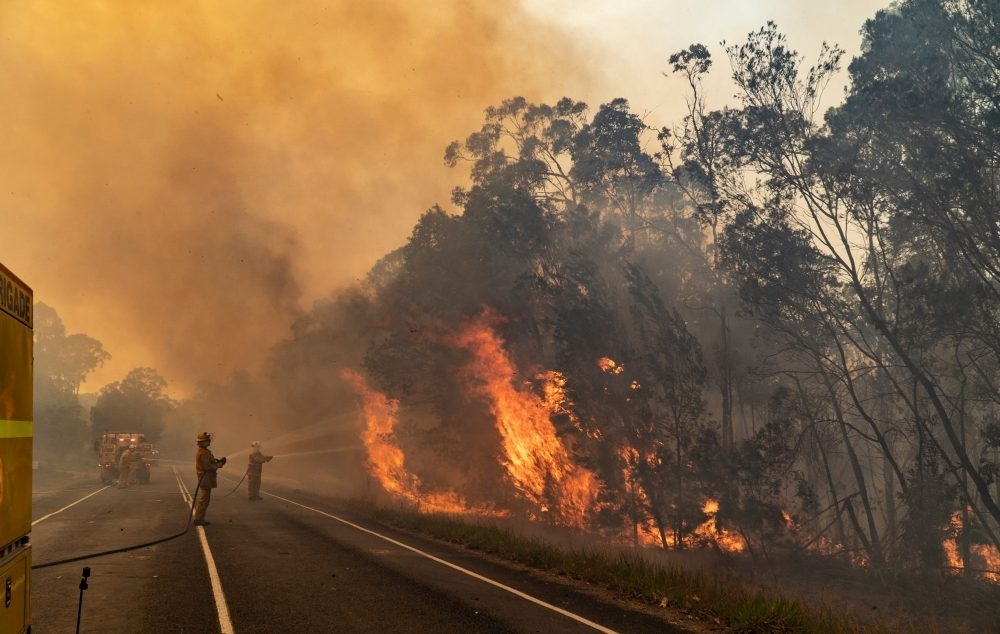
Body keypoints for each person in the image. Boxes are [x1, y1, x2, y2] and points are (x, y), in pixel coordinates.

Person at [194, 432, 226, 526]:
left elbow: (210, 461)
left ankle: (200, 518)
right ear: (202, 442)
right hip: (205, 478)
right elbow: (207, 466)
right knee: (204, 500)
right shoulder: (202, 452)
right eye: (207, 440)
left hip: (206, 478)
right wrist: (218, 465)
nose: (209, 442)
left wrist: (217, 461)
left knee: (205, 499)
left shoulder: (204, 451)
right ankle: (199, 519)